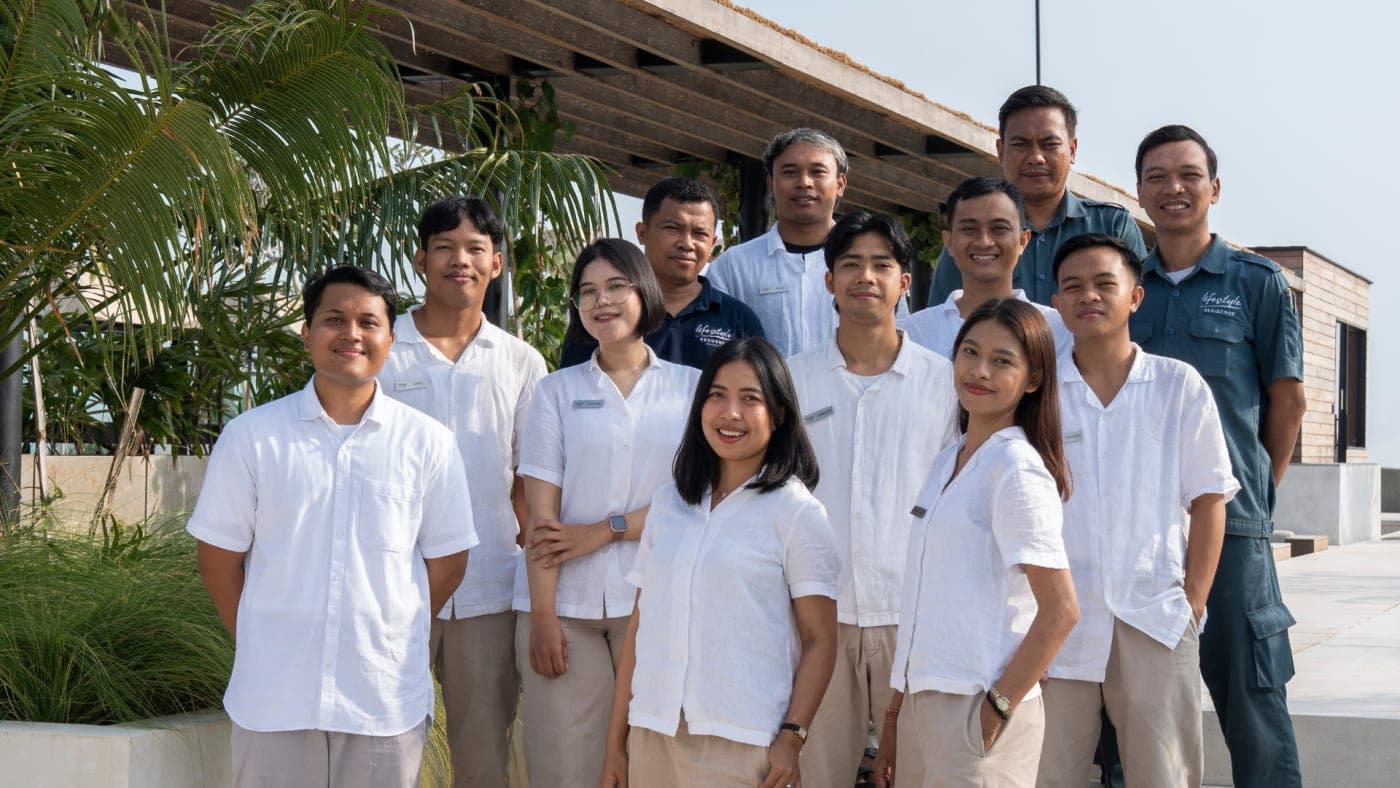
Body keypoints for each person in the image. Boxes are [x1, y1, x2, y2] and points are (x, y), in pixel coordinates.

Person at [190, 266, 478, 788]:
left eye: (368, 322)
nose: (351, 334)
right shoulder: (252, 437)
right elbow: (218, 562)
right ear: (306, 334)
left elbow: (448, 562)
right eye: (333, 319)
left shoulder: (428, 443)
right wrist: (262, 639)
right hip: (274, 697)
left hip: (382, 699)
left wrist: (386, 630)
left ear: (390, 339)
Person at [1129, 125, 1306, 788]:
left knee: (1252, 697)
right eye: (1157, 177)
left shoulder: (1257, 283)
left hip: (1233, 527)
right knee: (1135, 702)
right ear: (1140, 191)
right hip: (1138, 526)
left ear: (1215, 188)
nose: (1173, 188)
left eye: (1188, 175)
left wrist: (1252, 494)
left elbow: (1287, 403)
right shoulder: (1122, 283)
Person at [1036, 234, 1237, 787]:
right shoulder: (1037, 391)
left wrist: (1192, 603)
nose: (1089, 296)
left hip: (1153, 617)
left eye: (1105, 284)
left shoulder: (1177, 386)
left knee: (1164, 776)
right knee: (1046, 774)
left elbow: (1209, 499)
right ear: (1057, 303)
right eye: (1073, 286)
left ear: (1135, 296)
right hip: (1055, 620)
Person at [600, 336, 839, 788]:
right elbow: (639, 627)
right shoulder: (669, 503)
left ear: (779, 414)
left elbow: (820, 640)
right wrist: (616, 743)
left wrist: (792, 737)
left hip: (743, 744)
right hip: (653, 734)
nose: (730, 413)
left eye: (750, 399)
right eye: (717, 395)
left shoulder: (797, 513)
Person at [514, 239, 701, 788]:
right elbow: (542, 520)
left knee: (653, 762)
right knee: (566, 766)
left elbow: (695, 496)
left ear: (644, 292)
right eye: (588, 291)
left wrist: (606, 531)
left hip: (658, 602)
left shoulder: (692, 389)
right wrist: (543, 617)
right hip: (565, 607)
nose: (602, 301)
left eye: (616, 286)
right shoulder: (554, 392)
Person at [873, 298, 1080, 787]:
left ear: (1033, 379)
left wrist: (996, 709)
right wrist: (895, 717)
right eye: (970, 352)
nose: (979, 370)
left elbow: (1061, 610)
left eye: (1002, 360)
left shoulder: (1016, 468)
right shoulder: (950, 458)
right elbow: (923, 601)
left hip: (976, 708)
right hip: (923, 706)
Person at [377, 196, 547, 787]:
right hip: (389, 586)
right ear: (420, 259)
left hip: (488, 588)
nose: (460, 260)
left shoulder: (522, 362)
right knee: (380, 752)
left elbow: (531, 479)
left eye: (476, 248)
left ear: (496, 263)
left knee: (483, 759)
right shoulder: (380, 350)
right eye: (444, 247)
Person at [787, 211, 959, 788]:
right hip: (816, 615)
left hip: (912, 614)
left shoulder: (945, 382)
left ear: (905, 282)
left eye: (882, 265)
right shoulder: (791, 380)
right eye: (851, 264)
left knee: (914, 771)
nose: (866, 276)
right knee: (814, 772)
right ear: (829, 280)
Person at [927, 86, 1147, 307]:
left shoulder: (1112, 225)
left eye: (1050, 144)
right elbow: (943, 315)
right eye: (1020, 145)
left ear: (1072, 149)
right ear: (1001, 151)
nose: (1036, 158)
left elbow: (1141, 312)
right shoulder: (972, 238)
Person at [705, 127, 908, 357]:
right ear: (770, 183)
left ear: (840, 184)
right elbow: (716, 350)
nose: (804, 182)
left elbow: (898, 341)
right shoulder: (733, 267)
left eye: (817, 172)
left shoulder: (877, 266)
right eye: (790, 172)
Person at [559, 178, 766, 368]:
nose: (687, 243)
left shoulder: (738, 321)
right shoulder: (607, 315)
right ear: (642, 233)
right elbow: (572, 385)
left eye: (700, 233)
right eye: (673, 228)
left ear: (712, 243)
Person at [906, 177, 1072, 358]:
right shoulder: (915, 332)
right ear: (949, 242)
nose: (984, 242)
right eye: (969, 229)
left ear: (1023, 241)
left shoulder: (1057, 329)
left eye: (999, 228)